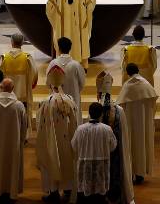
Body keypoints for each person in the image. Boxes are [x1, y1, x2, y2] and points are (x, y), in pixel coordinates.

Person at [36, 65, 79, 202]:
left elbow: (40, 124)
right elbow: (75, 122)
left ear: (49, 82)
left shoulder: (45, 102)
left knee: (51, 160)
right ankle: (68, 189)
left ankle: (53, 192)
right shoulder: (70, 99)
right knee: (67, 161)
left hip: (51, 139)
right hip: (67, 139)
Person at [46, 0, 96, 67]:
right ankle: (82, 65)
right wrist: (84, 18)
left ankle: (61, 63)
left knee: (62, 35)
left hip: (62, 27)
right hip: (78, 27)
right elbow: (92, 2)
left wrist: (56, 21)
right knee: (79, 39)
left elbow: (49, 9)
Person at [117, 63, 157, 184]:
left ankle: (131, 172)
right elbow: (153, 103)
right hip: (144, 122)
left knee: (131, 144)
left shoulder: (127, 86)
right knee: (142, 144)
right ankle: (141, 173)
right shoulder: (146, 84)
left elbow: (120, 105)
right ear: (138, 70)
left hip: (130, 122)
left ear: (127, 73)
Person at [71, 102, 117, 203]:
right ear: (101, 114)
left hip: (85, 162)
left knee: (84, 190)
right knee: (100, 193)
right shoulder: (107, 129)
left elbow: (74, 146)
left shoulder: (80, 129)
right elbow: (113, 146)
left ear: (89, 113)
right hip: (102, 162)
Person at [0, 33, 38, 126]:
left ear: (11, 42)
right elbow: (35, 73)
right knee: (22, 118)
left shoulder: (4, 57)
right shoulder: (27, 58)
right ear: (22, 43)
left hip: (7, 95)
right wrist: (29, 84)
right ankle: (23, 137)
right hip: (23, 95)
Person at [48, 37, 87, 126]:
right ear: (70, 48)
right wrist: (75, 91)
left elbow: (48, 83)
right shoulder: (76, 65)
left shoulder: (53, 63)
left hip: (56, 100)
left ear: (58, 48)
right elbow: (82, 83)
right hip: (73, 99)